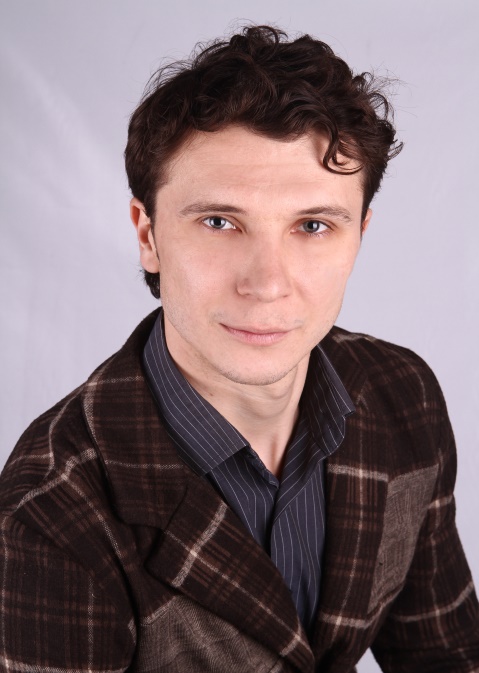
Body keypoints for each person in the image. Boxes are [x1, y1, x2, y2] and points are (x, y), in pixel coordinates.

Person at [0, 24, 478, 673]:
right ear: (148, 235)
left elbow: (448, 656)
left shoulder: (403, 393)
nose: (267, 283)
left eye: (313, 225)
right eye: (220, 221)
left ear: (359, 236)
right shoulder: (50, 512)